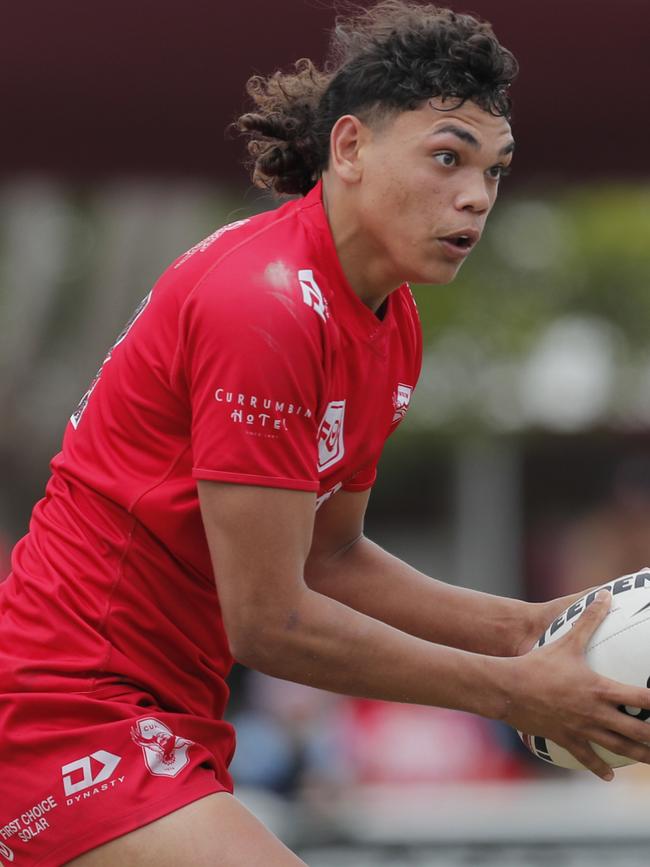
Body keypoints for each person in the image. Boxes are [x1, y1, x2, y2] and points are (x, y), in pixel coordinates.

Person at [2, 2, 650, 865]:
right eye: (447, 157)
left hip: (167, 715)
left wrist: (525, 625)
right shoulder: (264, 305)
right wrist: (511, 691)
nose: (475, 195)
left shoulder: (392, 320)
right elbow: (271, 624)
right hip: (65, 713)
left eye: (494, 171)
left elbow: (329, 556)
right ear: (348, 149)